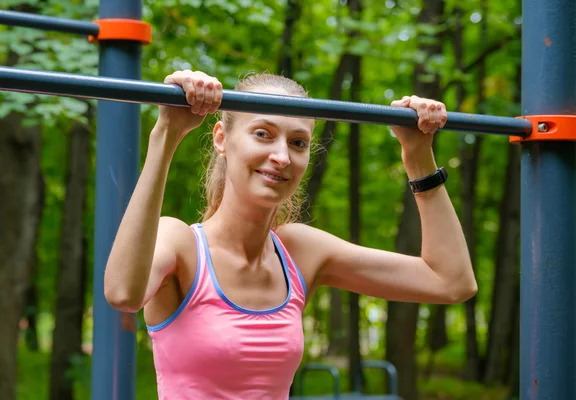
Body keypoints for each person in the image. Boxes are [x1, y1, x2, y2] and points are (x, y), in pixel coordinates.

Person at [104, 70, 477, 399]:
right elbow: (123, 293)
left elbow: (451, 281)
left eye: (298, 143)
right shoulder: (181, 245)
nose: (282, 156)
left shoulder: (299, 252)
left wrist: (418, 156)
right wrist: (166, 134)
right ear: (221, 138)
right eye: (263, 134)